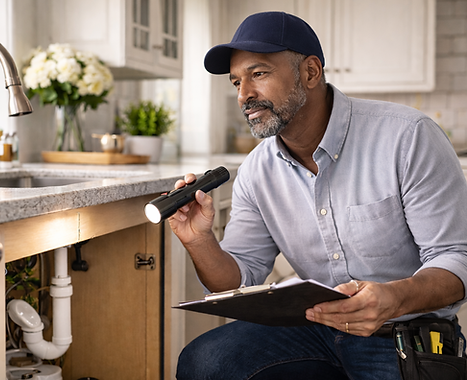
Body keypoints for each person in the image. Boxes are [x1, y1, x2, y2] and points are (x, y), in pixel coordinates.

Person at [169, 11, 467, 380]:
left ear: (310, 72)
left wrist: (394, 298)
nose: (244, 95)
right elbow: (239, 281)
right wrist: (199, 241)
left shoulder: (407, 137)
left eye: (258, 74)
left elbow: (456, 260)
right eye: (236, 82)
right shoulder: (257, 170)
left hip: (401, 333)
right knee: (204, 361)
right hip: (313, 328)